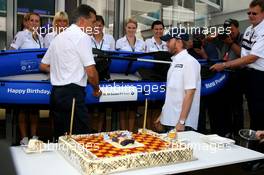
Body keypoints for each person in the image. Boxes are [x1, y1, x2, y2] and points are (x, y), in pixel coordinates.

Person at [40, 5, 101, 140]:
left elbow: (43, 65)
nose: (93, 26)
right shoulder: (82, 37)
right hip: (72, 94)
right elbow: (91, 72)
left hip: (56, 94)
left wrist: (58, 70)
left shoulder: (58, 38)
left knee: (60, 138)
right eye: (92, 22)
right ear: (83, 21)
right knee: (80, 139)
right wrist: (97, 89)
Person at [211, 0, 264, 132]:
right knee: (249, 110)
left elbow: (252, 58)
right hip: (246, 73)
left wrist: (224, 64)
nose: (251, 15)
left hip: (259, 77)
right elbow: (243, 54)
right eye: (249, 13)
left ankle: (259, 147)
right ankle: (249, 139)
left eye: (254, 13)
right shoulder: (249, 29)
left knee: (259, 113)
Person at [155, 28, 201, 132]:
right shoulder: (174, 62)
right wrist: (163, 116)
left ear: (179, 42)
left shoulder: (190, 62)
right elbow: (171, 94)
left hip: (181, 125)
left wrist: (181, 122)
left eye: (169, 41)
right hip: (170, 121)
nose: (166, 44)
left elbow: (190, 93)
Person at [10, 12, 43, 145]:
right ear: (25, 22)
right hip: (23, 77)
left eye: (37, 21)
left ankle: (34, 137)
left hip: (37, 77)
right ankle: (24, 138)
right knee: (23, 108)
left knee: (35, 108)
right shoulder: (21, 35)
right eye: (32, 21)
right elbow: (12, 52)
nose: (34, 23)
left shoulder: (41, 37)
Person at [115, 18, 145, 131]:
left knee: (133, 107)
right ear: (125, 28)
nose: (131, 30)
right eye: (129, 27)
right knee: (122, 106)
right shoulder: (119, 42)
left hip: (137, 77)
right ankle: (124, 132)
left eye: (133, 28)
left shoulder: (142, 43)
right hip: (122, 77)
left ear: (136, 29)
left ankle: (131, 131)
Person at [90, 15, 115, 132]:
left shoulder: (110, 39)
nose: (97, 27)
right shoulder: (86, 38)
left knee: (102, 107)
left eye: (100, 25)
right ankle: (90, 132)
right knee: (90, 106)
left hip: (105, 75)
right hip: (91, 74)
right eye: (95, 25)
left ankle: (99, 132)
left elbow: (113, 57)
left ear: (103, 26)